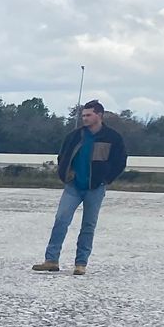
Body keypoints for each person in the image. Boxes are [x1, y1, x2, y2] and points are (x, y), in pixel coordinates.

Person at [34, 99, 127, 274]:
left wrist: (106, 179)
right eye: (83, 115)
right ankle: (51, 259)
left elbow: (120, 161)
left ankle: (81, 263)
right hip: (74, 186)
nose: (84, 118)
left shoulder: (113, 138)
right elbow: (62, 157)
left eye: (88, 115)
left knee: (88, 225)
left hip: (96, 187)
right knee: (61, 220)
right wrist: (66, 175)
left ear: (99, 115)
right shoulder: (75, 136)